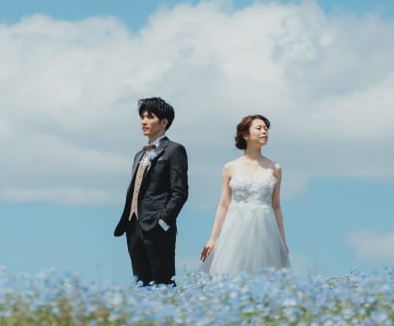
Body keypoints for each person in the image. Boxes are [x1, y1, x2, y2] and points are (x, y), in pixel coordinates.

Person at [200, 114, 290, 274]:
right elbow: (224, 205)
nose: (264, 131)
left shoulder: (275, 168)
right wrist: (213, 238)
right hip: (236, 227)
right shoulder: (230, 167)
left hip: (265, 230)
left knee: (264, 276)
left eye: (266, 128)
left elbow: (276, 206)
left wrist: (282, 241)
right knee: (231, 272)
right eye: (259, 128)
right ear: (245, 135)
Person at [114, 96, 188, 286]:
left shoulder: (174, 150)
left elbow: (180, 192)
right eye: (142, 117)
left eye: (149, 117)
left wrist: (163, 222)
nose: (144, 121)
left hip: (157, 226)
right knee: (141, 284)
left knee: (163, 283)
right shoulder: (139, 154)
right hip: (133, 227)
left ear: (164, 122)